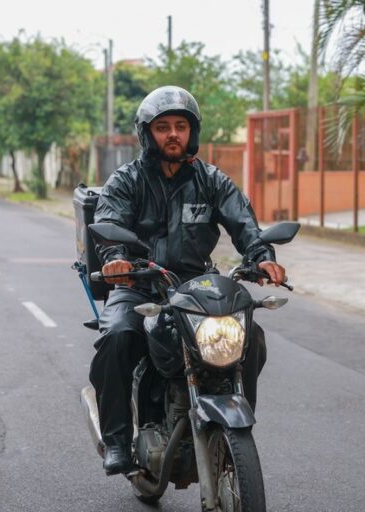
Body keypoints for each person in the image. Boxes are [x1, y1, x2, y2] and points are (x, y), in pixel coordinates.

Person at [90, 85, 287, 475]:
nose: (173, 134)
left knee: (251, 337)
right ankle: (116, 439)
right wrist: (115, 261)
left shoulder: (212, 180)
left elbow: (244, 224)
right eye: (163, 127)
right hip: (139, 284)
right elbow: (109, 225)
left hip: (195, 288)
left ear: (192, 131)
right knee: (117, 337)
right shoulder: (125, 180)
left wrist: (262, 259)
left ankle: (233, 421)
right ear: (147, 133)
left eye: (181, 125)